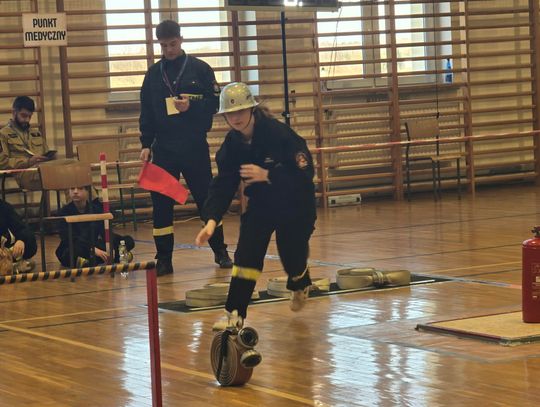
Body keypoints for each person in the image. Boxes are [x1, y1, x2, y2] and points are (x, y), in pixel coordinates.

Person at [195, 82, 317, 330]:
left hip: (296, 203)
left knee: (291, 254)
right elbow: (223, 184)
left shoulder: (278, 134)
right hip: (262, 203)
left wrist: (269, 174)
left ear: (252, 109)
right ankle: (234, 313)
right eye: (230, 113)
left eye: (240, 111)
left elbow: (305, 172)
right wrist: (211, 220)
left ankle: (300, 280)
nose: (236, 118)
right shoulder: (232, 144)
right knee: (246, 255)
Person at [139, 19, 232, 277]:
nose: (169, 50)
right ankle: (164, 259)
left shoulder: (200, 69)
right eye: (164, 45)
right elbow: (146, 113)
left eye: (173, 44)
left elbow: (215, 104)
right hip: (163, 149)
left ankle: (220, 251)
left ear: (181, 39)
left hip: (193, 146)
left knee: (206, 200)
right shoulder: (153, 75)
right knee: (161, 206)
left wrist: (192, 106)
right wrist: (146, 144)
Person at [55, 186, 135, 268]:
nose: (75, 192)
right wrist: (92, 249)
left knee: (127, 241)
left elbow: (104, 233)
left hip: (94, 244)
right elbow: (68, 239)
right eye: (72, 189)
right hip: (76, 246)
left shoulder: (95, 209)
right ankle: (116, 257)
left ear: (87, 192)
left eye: (80, 189)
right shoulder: (64, 212)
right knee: (72, 252)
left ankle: (113, 255)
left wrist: (111, 247)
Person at [0, 96, 56, 190]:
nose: (27, 120)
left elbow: (45, 153)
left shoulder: (35, 133)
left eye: (29, 116)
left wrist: (51, 157)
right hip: (24, 173)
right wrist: (28, 161)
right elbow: (2, 162)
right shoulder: (3, 134)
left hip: (42, 168)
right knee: (63, 173)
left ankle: (72, 200)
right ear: (14, 112)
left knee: (71, 165)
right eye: (23, 116)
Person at [0, 198, 37, 275]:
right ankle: (13, 267)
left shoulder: (3, 207)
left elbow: (22, 228)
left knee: (29, 244)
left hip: (4, 250)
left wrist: (21, 240)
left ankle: (8, 266)